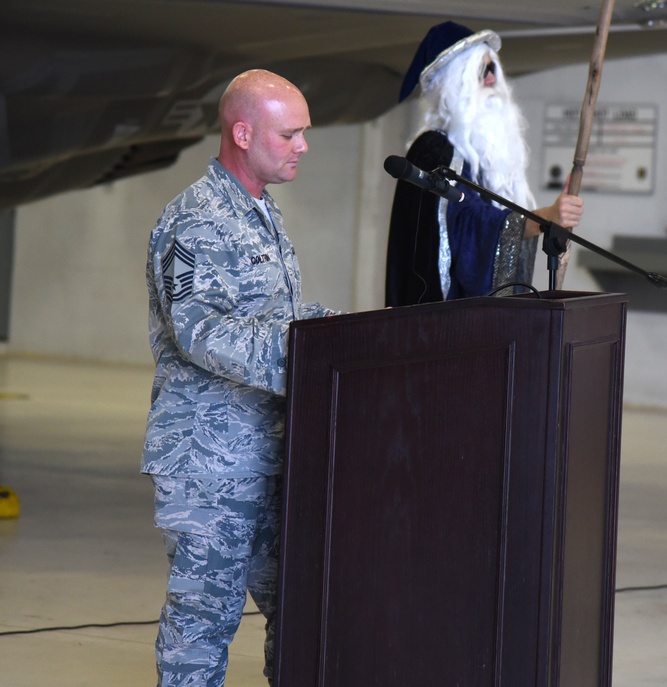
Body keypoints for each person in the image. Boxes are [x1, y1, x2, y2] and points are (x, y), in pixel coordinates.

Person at [142, 69, 342, 687]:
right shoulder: (196, 219)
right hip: (211, 462)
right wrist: (310, 353)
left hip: (272, 452)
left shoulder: (257, 211)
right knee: (202, 625)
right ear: (243, 133)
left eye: (303, 132)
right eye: (290, 134)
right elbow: (200, 331)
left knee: (305, 609)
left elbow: (273, 317)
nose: (303, 145)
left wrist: (343, 332)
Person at [385, 21, 584, 307]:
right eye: (481, 70)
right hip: (442, 319)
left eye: (493, 68)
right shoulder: (434, 150)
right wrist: (544, 218)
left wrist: (543, 220)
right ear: (454, 83)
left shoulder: (479, 156)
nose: (492, 78)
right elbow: (468, 225)